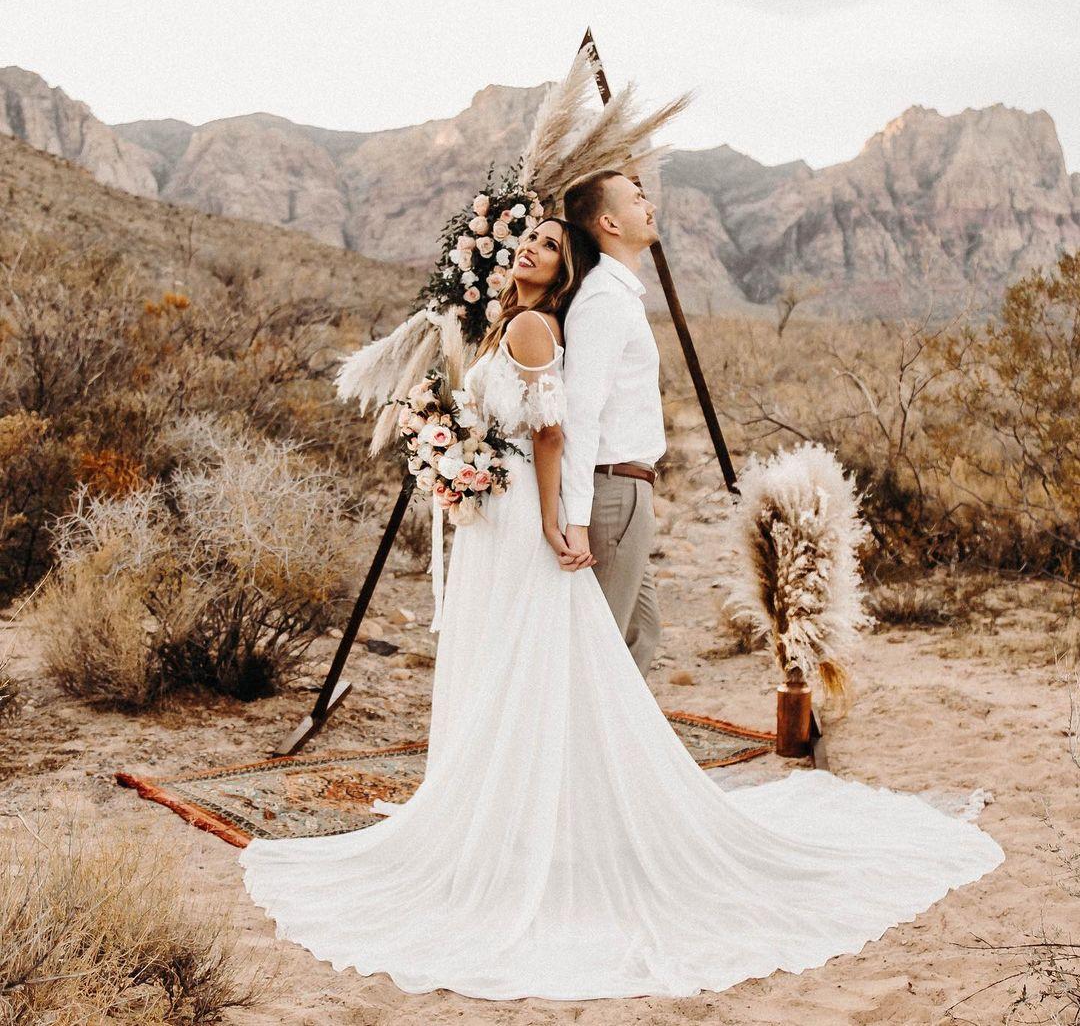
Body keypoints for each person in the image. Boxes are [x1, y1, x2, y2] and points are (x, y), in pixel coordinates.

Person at [238, 213, 1004, 1002]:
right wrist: (450, 447)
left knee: (527, 659)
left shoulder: (533, 326)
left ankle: (533, 825)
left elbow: (550, 433)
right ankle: (517, 816)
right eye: (530, 239)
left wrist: (548, 519)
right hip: (493, 514)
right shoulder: (508, 322)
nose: (533, 248)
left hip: (519, 520)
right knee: (510, 658)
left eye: (550, 245)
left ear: (563, 271)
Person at [560, 169, 665, 677]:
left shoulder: (619, 296)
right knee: (603, 650)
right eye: (637, 198)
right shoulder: (603, 299)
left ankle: (617, 732)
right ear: (609, 222)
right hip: (612, 492)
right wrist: (577, 520)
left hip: (629, 489)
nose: (649, 204)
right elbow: (579, 413)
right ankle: (584, 730)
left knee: (641, 635)